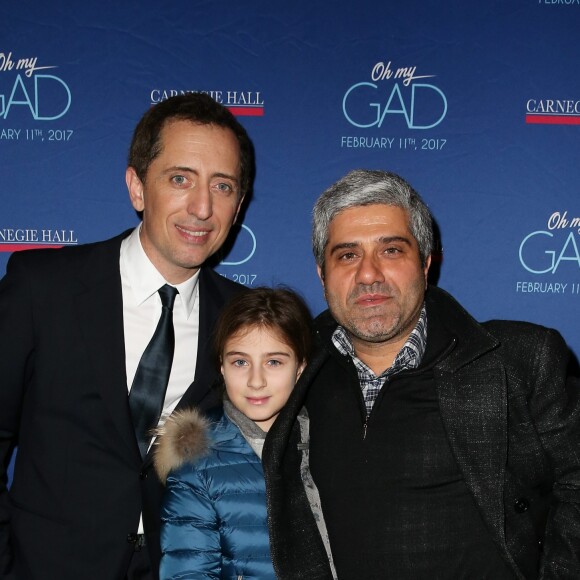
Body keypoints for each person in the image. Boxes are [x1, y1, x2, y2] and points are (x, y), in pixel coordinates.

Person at [262, 169, 580, 579]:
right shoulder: (292, 365)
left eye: (391, 250)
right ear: (322, 274)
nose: (369, 274)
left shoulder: (518, 360)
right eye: (347, 255)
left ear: (426, 263)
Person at [0, 92, 254, 580]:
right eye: (180, 179)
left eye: (222, 186)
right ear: (137, 188)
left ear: (239, 205)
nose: (202, 207)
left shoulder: (245, 318)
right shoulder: (43, 288)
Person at [153, 287, 321, 579]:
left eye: (274, 362)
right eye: (240, 362)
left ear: (300, 367)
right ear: (222, 366)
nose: (256, 381)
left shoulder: (334, 441)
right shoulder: (196, 464)